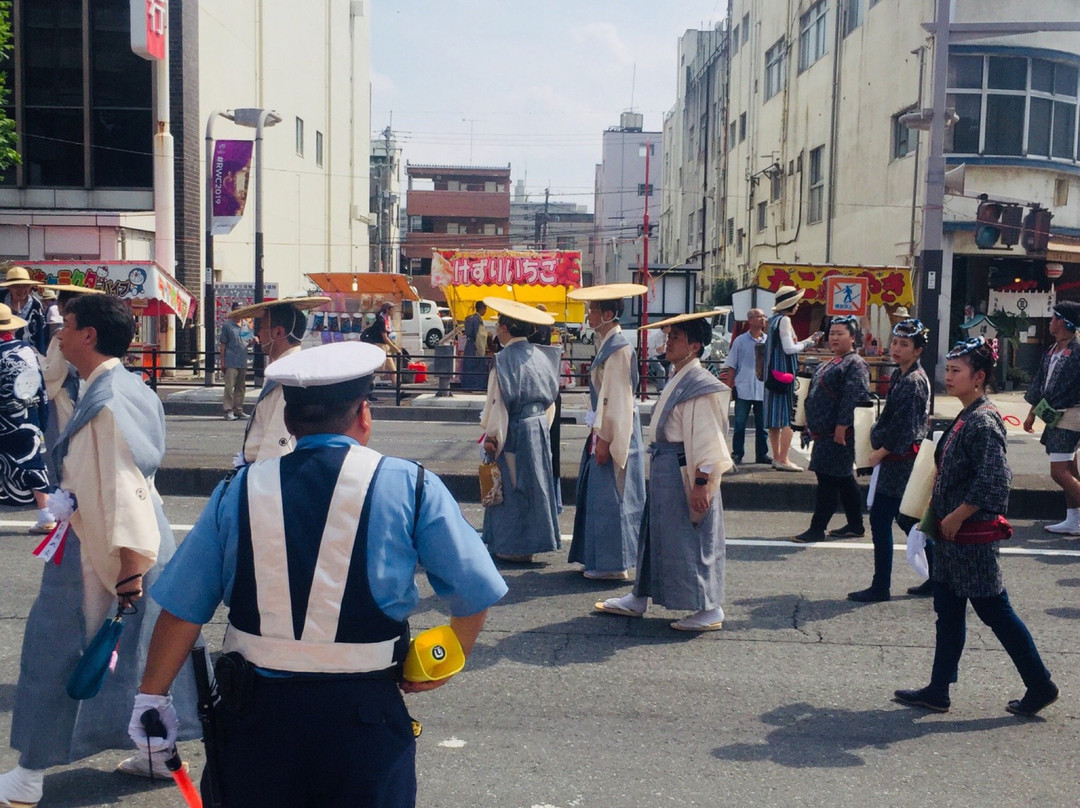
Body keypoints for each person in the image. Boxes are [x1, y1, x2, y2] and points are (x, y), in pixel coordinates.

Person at [127, 341, 507, 807]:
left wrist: (151, 699)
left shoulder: (238, 490)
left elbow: (183, 609)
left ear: (288, 422)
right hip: (365, 718)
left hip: (256, 720)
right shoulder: (411, 484)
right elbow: (475, 588)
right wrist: (446, 659)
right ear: (363, 414)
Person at [0, 294, 200, 808]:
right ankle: (156, 751)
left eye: (66, 326)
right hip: (141, 535)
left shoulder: (104, 401)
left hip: (104, 544)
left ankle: (29, 774)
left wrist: (129, 568)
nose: (58, 334)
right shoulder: (129, 387)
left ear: (88, 336)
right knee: (145, 650)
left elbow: (122, 484)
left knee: (54, 650)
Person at [895, 337, 1059, 717]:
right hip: (951, 538)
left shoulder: (983, 420)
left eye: (957, 371)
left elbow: (995, 480)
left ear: (979, 377)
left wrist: (958, 514)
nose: (948, 376)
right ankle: (938, 689)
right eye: (948, 369)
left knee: (996, 612)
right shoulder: (967, 414)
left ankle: (1040, 684)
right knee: (949, 612)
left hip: (970, 538)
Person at [595, 310, 734, 631]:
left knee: (691, 538)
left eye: (676, 338)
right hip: (666, 466)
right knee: (656, 533)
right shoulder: (680, 376)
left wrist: (702, 482)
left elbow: (708, 439)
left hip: (683, 469)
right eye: (669, 336)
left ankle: (709, 606)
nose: (668, 342)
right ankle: (639, 595)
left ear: (695, 347)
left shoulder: (699, 385)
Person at [566, 284, 648, 580]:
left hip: (614, 427)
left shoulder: (618, 349)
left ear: (608, 314)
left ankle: (613, 564)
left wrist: (605, 438)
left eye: (593, 310)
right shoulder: (609, 345)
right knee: (603, 495)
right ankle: (602, 559)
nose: (589, 315)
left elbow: (616, 398)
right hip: (606, 424)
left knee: (612, 495)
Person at [847, 319, 931, 602]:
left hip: (900, 460)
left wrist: (880, 452)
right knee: (908, 520)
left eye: (904, 345)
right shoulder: (900, 375)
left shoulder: (913, 381)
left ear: (917, 350)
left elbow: (905, 428)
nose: (896, 349)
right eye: (895, 343)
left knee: (884, 519)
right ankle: (938, 577)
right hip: (897, 459)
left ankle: (881, 585)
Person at [479, 297, 562, 562]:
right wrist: (540, 425)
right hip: (539, 425)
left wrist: (492, 437)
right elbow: (551, 400)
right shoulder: (544, 356)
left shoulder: (503, 360)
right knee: (536, 484)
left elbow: (497, 401)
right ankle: (534, 542)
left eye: (498, 324)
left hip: (515, 427)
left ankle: (514, 545)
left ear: (505, 328)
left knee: (512, 485)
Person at [792, 314, 871, 543]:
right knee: (843, 478)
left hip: (837, 433)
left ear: (852, 337)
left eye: (840, 333)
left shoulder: (855, 364)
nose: (834, 338)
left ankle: (817, 528)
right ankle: (855, 524)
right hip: (823, 432)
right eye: (832, 333)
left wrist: (842, 425)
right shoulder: (831, 361)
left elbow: (853, 397)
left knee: (828, 482)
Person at [228, 296, 329, 465]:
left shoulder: (290, 375)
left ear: (278, 332)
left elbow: (277, 442)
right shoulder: (288, 368)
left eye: (262, 327)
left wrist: (260, 476)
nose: (258, 333)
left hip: (268, 468)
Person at [1023, 301, 1080, 535]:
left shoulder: (1077, 350)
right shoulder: (1052, 350)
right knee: (1070, 468)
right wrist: (1031, 414)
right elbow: (1040, 383)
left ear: (1064, 322)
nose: (1050, 322)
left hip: (1072, 413)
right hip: (1056, 414)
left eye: (1054, 318)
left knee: (1059, 471)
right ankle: (1074, 519)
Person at [0, 303, 54, 534]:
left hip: (4, 419)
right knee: (33, 463)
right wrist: (42, 417)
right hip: (28, 416)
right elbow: (40, 386)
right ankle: (46, 514)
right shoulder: (26, 350)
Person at [763, 285, 822, 471]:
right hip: (785, 374)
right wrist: (808, 344)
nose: (798, 305)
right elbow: (789, 348)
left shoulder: (773, 320)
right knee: (789, 417)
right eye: (796, 302)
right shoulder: (785, 320)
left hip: (772, 374)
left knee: (774, 419)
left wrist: (806, 341)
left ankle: (776, 457)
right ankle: (784, 459)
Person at [723, 307, 771, 467]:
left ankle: (762, 454)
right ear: (750, 320)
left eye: (764, 316)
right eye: (759, 316)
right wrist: (729, 387)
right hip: (743, 387)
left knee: (762, 425)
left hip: (763, 388)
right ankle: (737, 453)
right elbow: (732, 365)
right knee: (740, 423)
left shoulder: (768, 340)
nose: (763, 319)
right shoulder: (740, 341)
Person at [0, 266, 47, 355]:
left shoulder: (36, 305)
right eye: (17, 286)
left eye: (26, 286)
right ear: (9, 287)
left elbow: (41, 333)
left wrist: (41, 355)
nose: (22, 290)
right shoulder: (1, 298)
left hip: (26, 351)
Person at [219, 302, 250, 421]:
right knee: (229, 387)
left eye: (241, 309)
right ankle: (228, 411)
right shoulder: (227, 326)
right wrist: (222, 362)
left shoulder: (245, 324)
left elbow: (247, 341)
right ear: (233, 311)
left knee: (241, 387)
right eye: (237, 309)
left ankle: (238, 410)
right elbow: (223, 345)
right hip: (230, 360)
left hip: (242, 360)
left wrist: (254, 340)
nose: (239, 312)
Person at [462, 300, 489, 392]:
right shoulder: (478, 320)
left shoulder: (469, 318)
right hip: (475, 346)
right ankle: (475, 387)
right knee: (476, 368)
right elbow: (480, 336)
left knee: (468, 367)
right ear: (483, 309)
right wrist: (482, 352)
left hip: (468, 346)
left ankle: (467, 386)